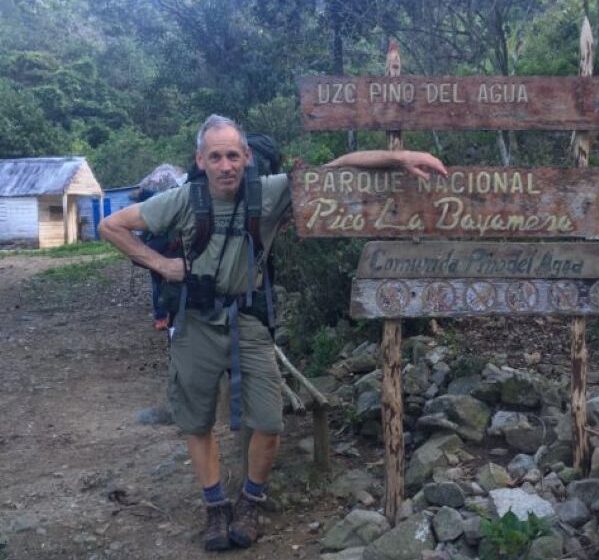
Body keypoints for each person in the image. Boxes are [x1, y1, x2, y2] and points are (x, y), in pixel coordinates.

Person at [99, 114, 447, 552]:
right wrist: (163, 265)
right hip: (197, 320)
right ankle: (215, 507)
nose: (226, 165)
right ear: (201, 160)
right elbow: (111, 226)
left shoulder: (266, 192)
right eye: (216, 156)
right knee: (196, 419)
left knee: (268, 421)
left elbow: (339, 168)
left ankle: (250, 500)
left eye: (233, 155)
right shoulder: (184, 199)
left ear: (246, 158)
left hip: (247, 319)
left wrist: (401, 157)